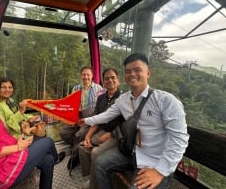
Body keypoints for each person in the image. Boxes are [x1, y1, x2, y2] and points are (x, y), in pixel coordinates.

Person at [79, 53, 189, 189]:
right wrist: (86, 120)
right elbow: (106, 116)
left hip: (155, 161)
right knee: (100, 162)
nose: (132, 74)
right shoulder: (124, 100)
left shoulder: (166, 101)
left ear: (148, 73)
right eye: (128, 71)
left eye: (137, 70)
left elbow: (180, 138)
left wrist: (159, 171)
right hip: (133, 152)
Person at [0, 77, 65, 160]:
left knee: (42, 133)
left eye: (10, 87)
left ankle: (45, 157)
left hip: (21, 131)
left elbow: (19, 115)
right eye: (4, 87)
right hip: (15, 137)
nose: (7, 90)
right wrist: (21, 113)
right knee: (47, 140)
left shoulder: (10, 101)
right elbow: (6, 128)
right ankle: (54, 158)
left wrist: (30, 117)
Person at [78, 68, 124, 189]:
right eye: (106, 78)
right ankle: (92, 176)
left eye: (113, 77)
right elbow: (98, 119)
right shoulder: (101, 98)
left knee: (96, 152)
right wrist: (88, 136)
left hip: (116, 134)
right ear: (103, 82)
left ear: (118, 80)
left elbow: (125, 125)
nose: (110, 80)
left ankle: (94, 184)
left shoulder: (123, 99)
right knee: (82, 146)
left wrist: (109, 135)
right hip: (102, 130)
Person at [59, 66, 103, 170]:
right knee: (63, 132)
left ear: (92, 76)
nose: (86, 77)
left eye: (88, 74)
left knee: (79, 134)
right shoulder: (75, 88)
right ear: (81, 76)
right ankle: (77, 145)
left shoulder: (99, 89)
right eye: (84, 74)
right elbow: (71, 105)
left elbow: (101, 108)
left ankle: (75, 156)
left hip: (91, 119)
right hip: (78, 117)